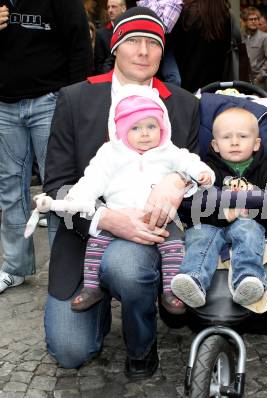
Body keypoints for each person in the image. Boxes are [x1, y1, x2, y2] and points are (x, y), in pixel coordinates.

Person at [43, 7, 200, 378]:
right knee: (69, 350)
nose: (144, 52)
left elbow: (200, 171)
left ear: (163, 52)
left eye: (153, 43)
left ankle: (143, 340)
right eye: (134, 42)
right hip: (87, 235)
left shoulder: (184, 104)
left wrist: (178, 180)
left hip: (153, 234)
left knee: (127, 268)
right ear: (116, 47)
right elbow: (55, 186)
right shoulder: (75, 99)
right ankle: (100, 299)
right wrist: (104, 218)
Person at [37, 86, 214, 313]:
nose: (145, 133)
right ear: (121, 130)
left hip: (161, 217)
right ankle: (92, 287)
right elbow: (93, 180)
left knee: (174, 247)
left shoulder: (168, 151)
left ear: (162, 127)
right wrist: (78, 198)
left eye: (151, 126)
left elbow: (191, 163)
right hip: (118, 214)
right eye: (135, 127)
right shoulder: (111, 154)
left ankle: (171, 291)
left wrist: (199, 174)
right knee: (95, 246)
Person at [0, 0, 92, 294]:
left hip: (49, 102)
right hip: (4, 104)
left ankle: (64, 269)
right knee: (10, 187)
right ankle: (15, 267)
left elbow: (80, 48)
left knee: (58, 189)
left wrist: (75, 102)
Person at [171, 107, 267, 308]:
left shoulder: (266, 170)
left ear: (256, 144)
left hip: (248, 221)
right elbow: (197, 206)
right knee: (200, 235)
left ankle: (247, 279)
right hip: (212, 222)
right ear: (215, 145)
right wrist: (224, 215)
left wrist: (252, 210)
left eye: (243, 136)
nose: (235, 142)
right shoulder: (206, 170)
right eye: (226, 137)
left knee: (248, 230)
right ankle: (193, 279)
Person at [171, 0, 233, 93]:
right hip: (215, 87)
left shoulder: (187, 12)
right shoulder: (224, 14)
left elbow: (176, 48)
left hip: (186, 86)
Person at [136, 0, 183, 86]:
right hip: (144, 43)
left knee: (175, 79)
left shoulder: (175, 1)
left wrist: (149, 3)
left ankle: (167, 99)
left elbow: (165, 26)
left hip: (164, 47)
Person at [242, 7, 267, 94]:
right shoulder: (241, 37)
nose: (254, 21)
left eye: (256, 19)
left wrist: (259, 77)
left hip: (259, 82)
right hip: (243, 80)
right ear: (245, 21)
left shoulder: (265, 37)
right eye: (251, 19)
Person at [94, 0, 126, 74]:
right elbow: (98, 65)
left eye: (113, 7)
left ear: (123, 8)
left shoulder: (132, 29)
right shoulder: (101, 34)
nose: (110, 10)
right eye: (108, 7)